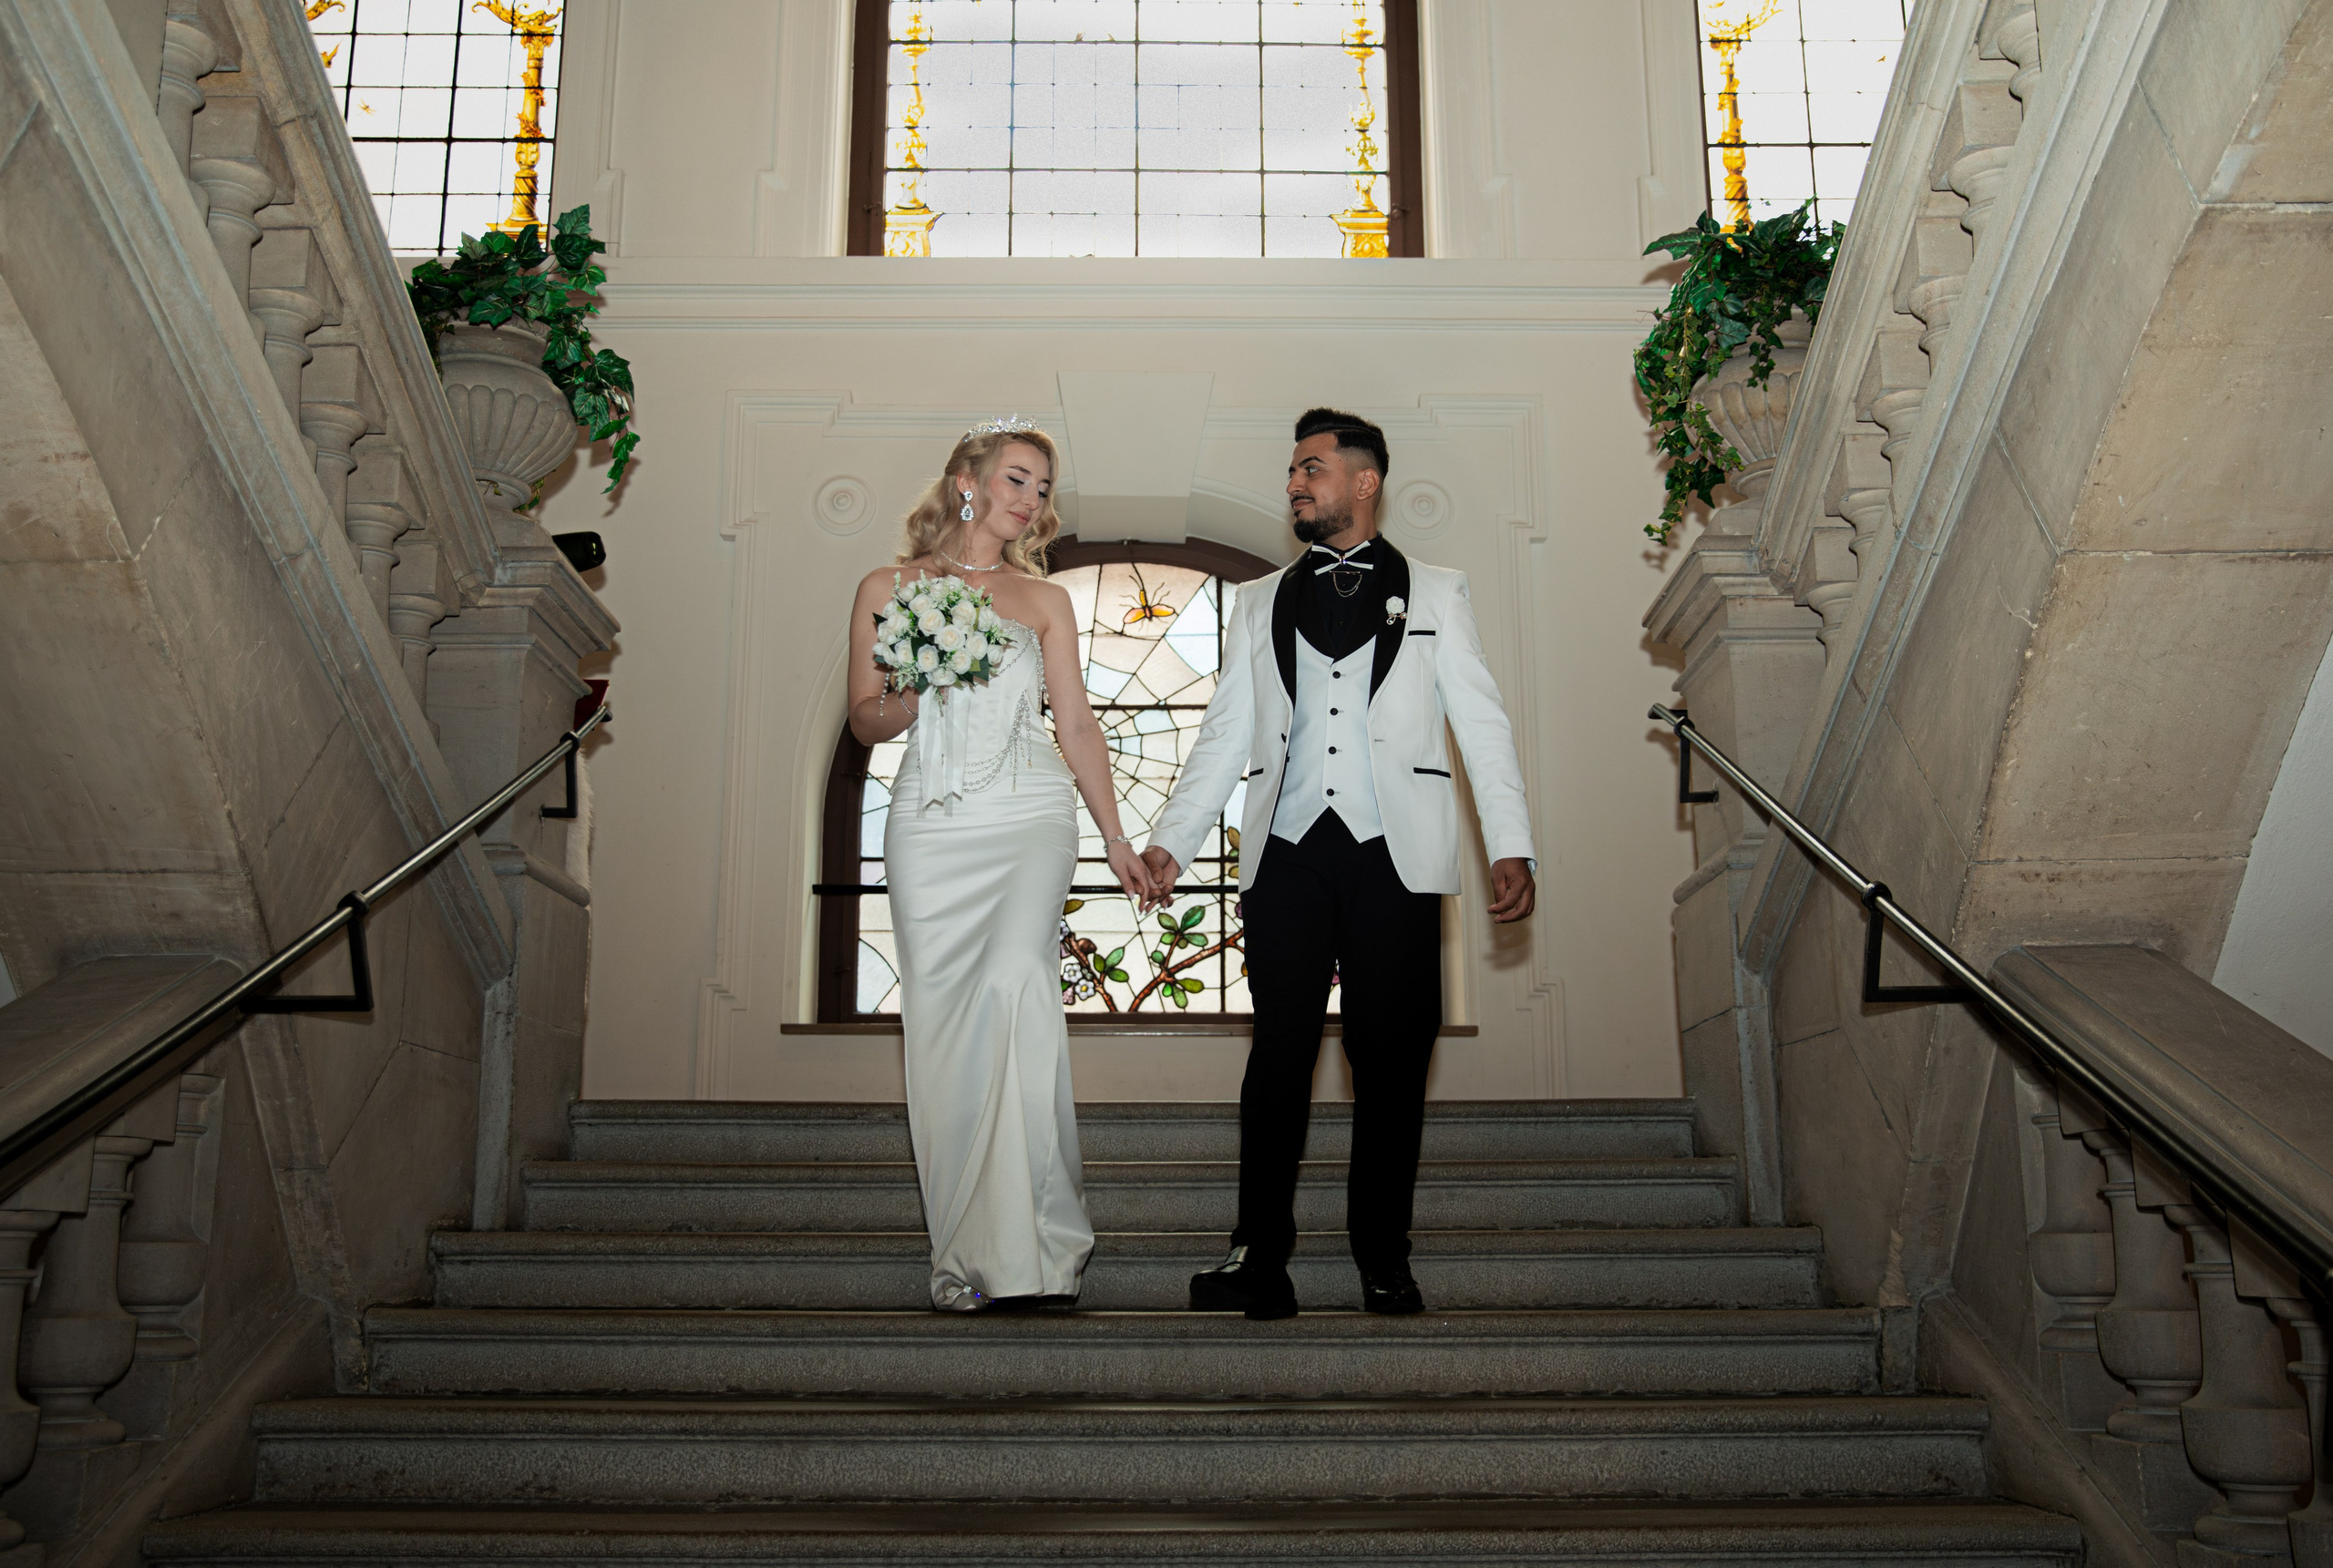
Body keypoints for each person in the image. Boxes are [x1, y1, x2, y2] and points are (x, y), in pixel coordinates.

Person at [1141, 408, 1537, 1319]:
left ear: (1364, 481)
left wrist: (1507, 838)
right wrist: (1174, 835)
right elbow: (1222, 735)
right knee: (1275, 1057)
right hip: (1284, 855)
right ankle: (1258, 1255)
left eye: (1312, 468)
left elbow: (1480, 720)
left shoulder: (1438, 591)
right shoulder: (1256, 600)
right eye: (1290, 471)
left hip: (1393, 856)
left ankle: (1383, 1257)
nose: (1294, 484)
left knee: (1390, 1059)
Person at [846, 417, 1153, 1311]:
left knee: (1018, 984)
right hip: (931, 821)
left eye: (1043, 487)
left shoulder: (1042, 601)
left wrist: (1118, 836)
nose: (1031, 499)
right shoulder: (885, 585)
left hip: (1027, 812)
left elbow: (1078, 725)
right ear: (966, 479)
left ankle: (1038, 1252)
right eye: (1018, 478)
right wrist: (912, 683)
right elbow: (865, 718)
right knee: (944, 1023)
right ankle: (971, 1251)